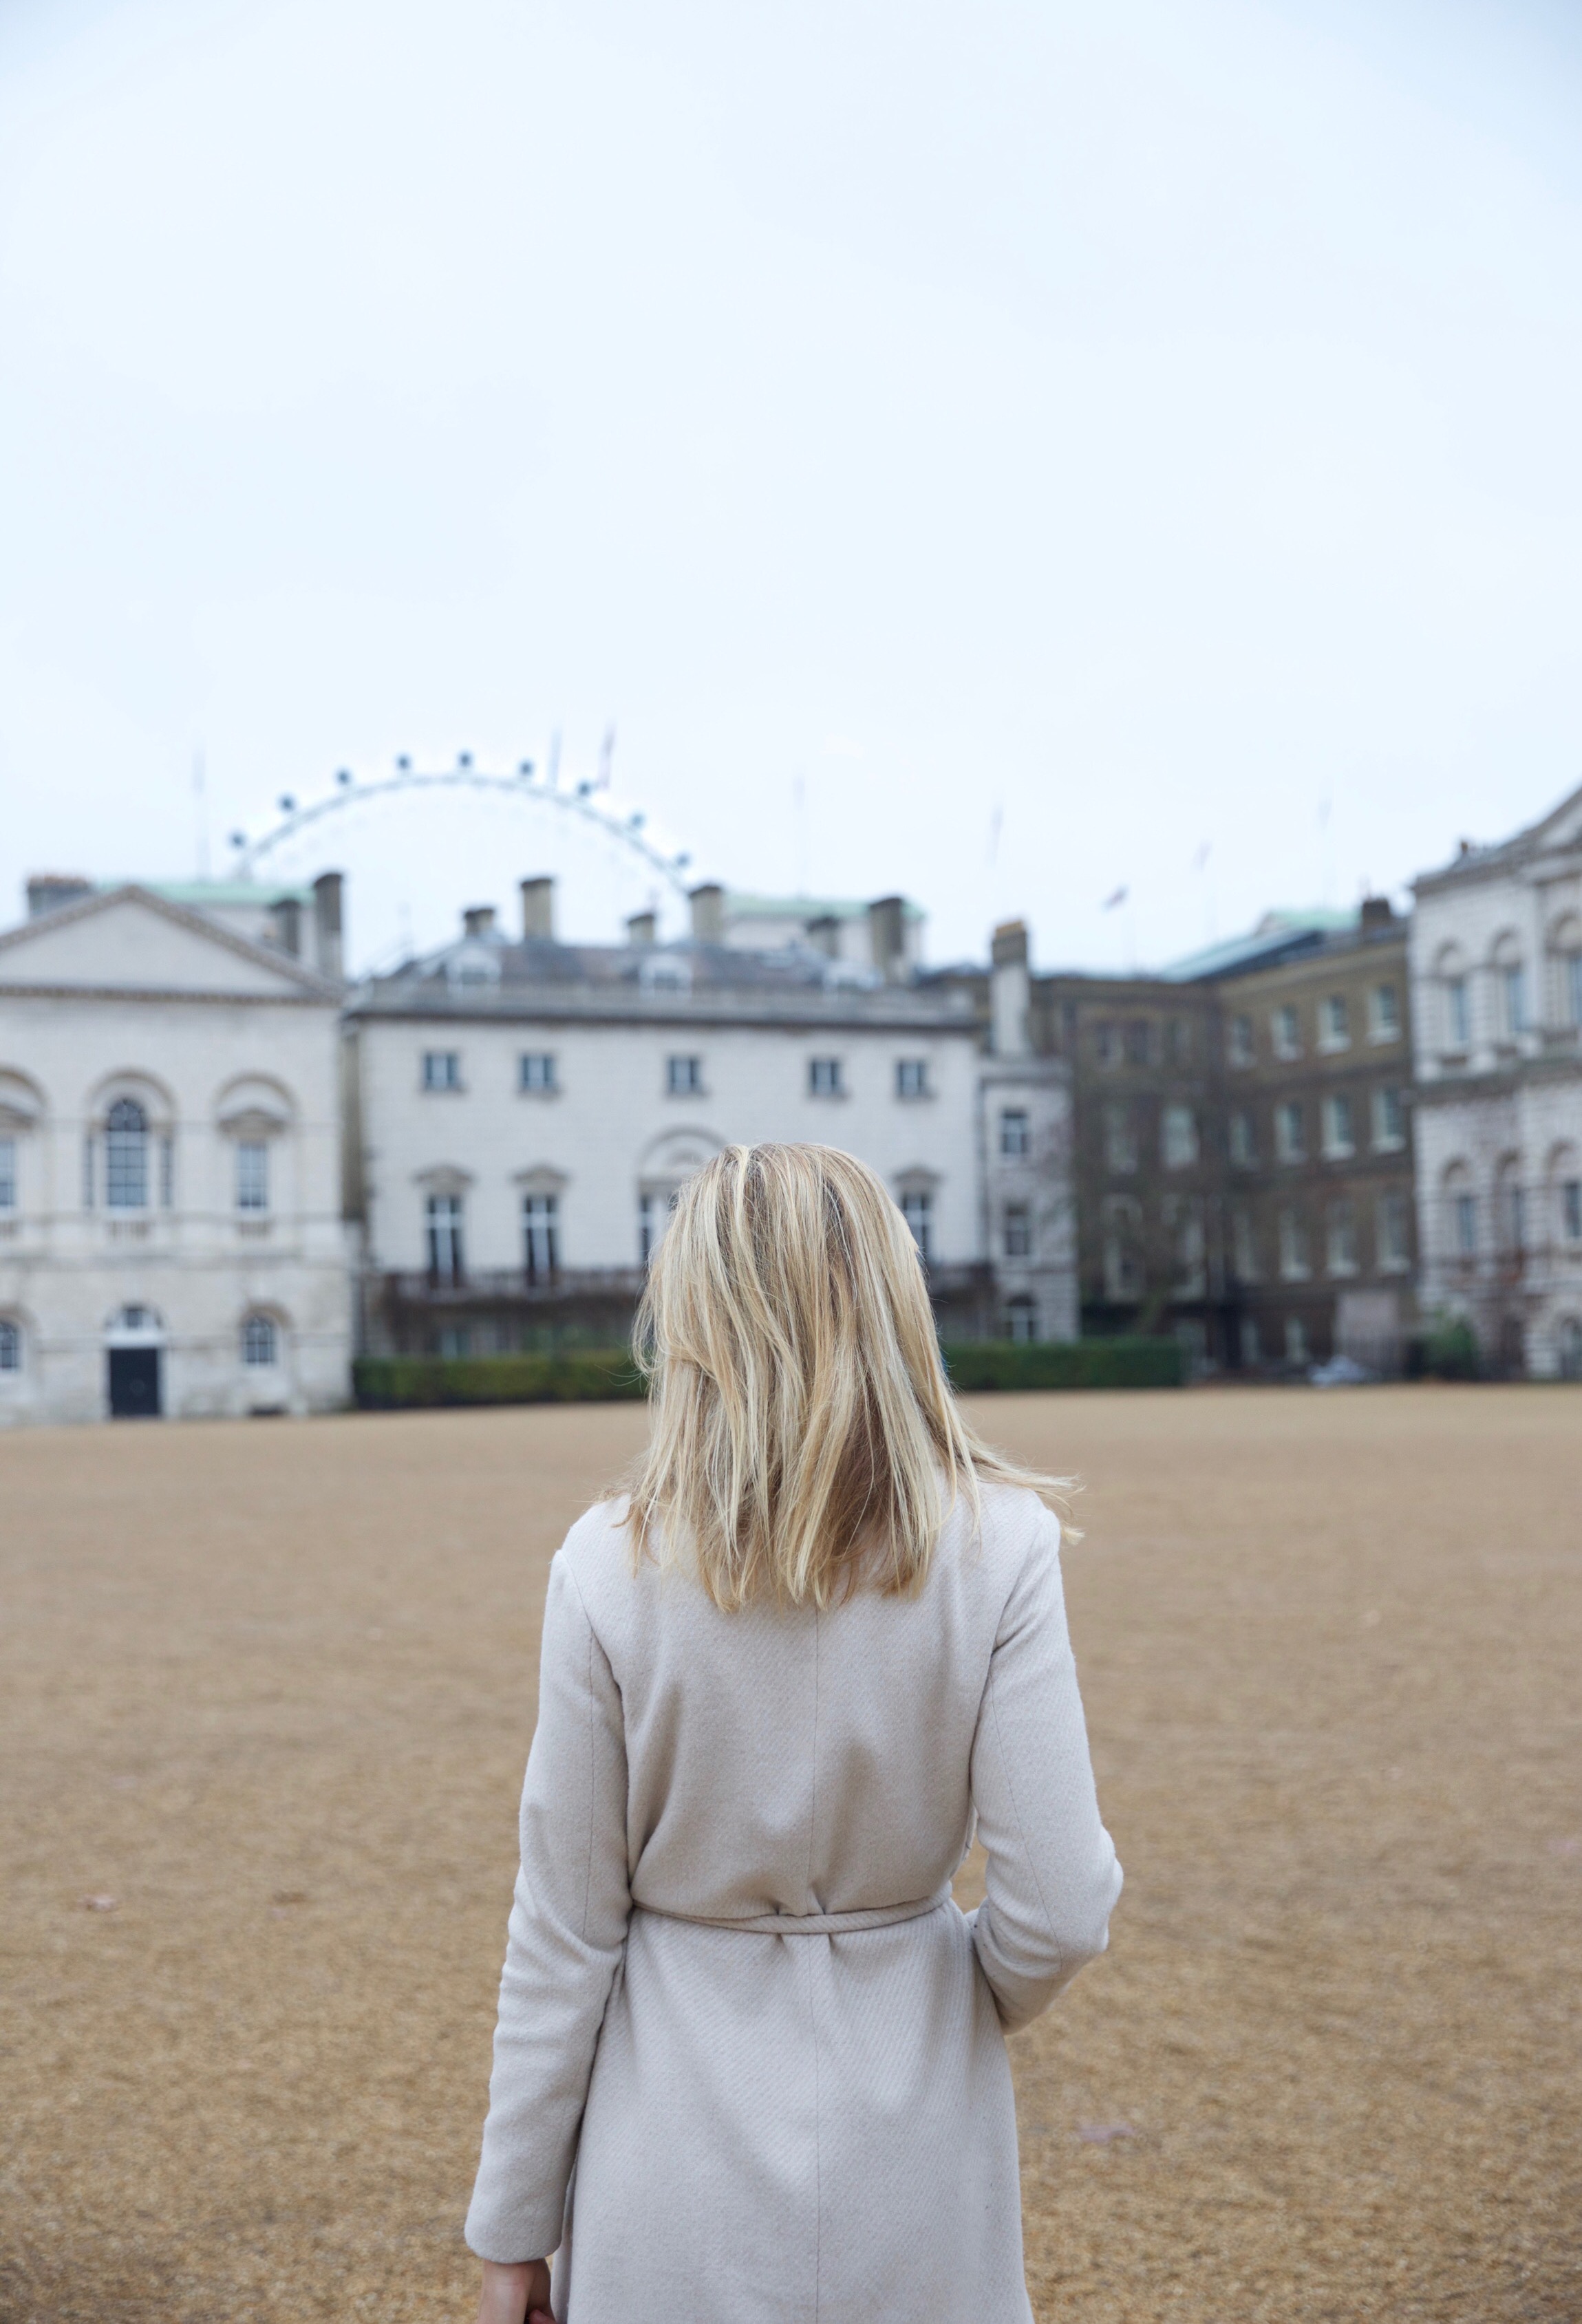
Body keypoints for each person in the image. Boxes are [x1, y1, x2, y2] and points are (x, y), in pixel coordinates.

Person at [467, 1142, 1122, 2324]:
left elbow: (564, 1932)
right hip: (917, 2135)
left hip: (671, 2144)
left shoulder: (606, 1564)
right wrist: (942, 1993)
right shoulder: (1000, 1544)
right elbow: (1062, 1903)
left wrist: (514, 2224)